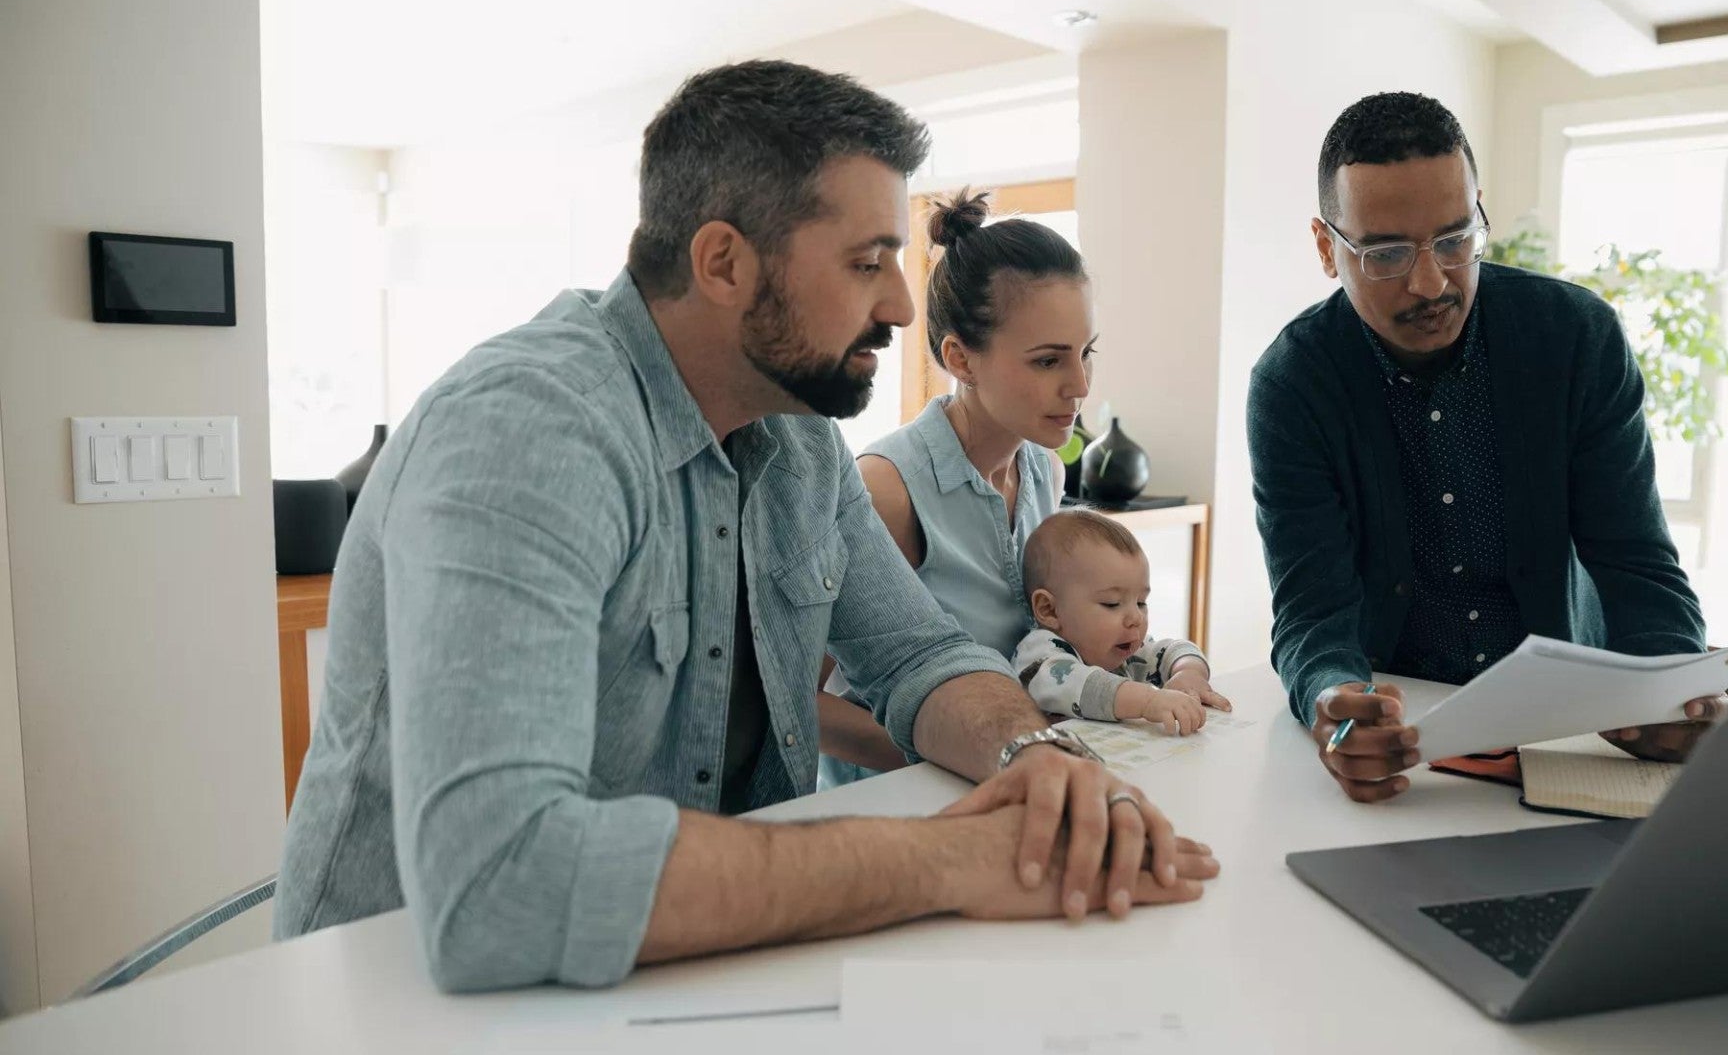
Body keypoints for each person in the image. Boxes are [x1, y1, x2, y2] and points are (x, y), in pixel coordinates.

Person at [274, 60, 1218, 994]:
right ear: (723, 262)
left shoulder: (799, 443)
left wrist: (1037, 760)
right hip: (413, 1005)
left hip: (696, 970)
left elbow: (920, 656)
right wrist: (946, 861)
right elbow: (499, 883)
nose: (897, 305)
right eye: (866, 262)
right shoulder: (531, 430)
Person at [1246, 91, 1727, 804]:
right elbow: (1314, 608)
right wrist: (1332, 701)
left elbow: (1635, 561)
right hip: (1403, 736)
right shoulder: (1294, 385)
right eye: (1386, 253)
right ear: (1327, 248)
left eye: (1454, 238)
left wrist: (1670, 688)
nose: (1431, 281)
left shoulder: (1576, 340)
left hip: (1571, 730)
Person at [815, 189, 1091, 785]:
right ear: (961, 359)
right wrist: (977, 753)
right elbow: (797, 704)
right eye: (1048, 361)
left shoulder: (1046, 469)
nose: (1080, 386)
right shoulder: (885, 491)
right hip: (894, 808)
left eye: (1085, 354)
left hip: (1006, 779)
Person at [1011, 509, 1231, 736]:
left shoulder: (1124, 648)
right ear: (1049, 610)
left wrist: (1188, 673)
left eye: (1141, 602)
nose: (1136, 617)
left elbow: (1176, 649)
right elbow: (1088, 687)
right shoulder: (1040, 657)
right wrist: (1149, 701)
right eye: (1112, 603)